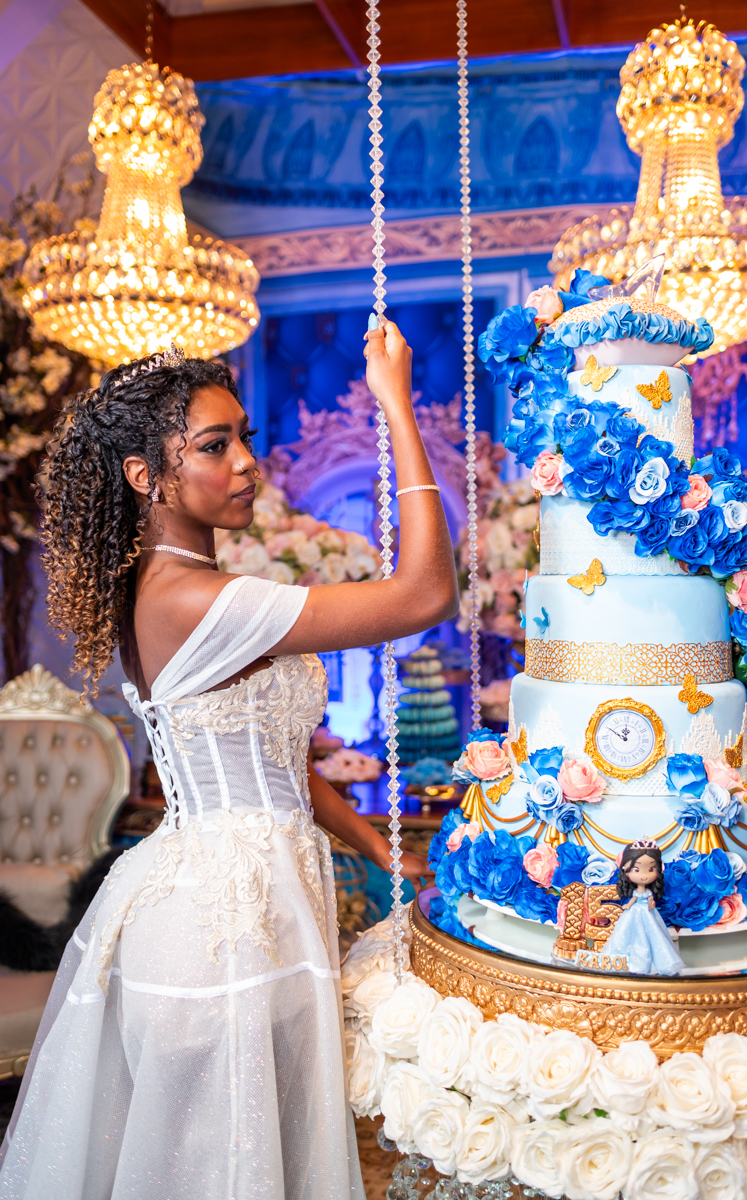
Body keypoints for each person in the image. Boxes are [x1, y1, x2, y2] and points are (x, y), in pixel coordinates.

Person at [0, 318, 458, 1199]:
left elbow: (275, 761)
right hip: (223, 927)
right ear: (145, 476)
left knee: (263, 1156)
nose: (247, 460)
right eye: (214, 445)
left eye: (245, 437)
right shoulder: (189, 599)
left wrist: (377, 850)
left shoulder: (180, 589)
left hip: (261, 898)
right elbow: (426, 592)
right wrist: (395, 405)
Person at [602, 840, 685, 976]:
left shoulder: (649, 893)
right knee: (628, 934)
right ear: (625, 869)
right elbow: (634, 899)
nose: (644, 875)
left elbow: (650, 899)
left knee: (653, 934)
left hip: (648, 913)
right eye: (636, 869)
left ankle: (652, 963)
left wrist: (651, 904)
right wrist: (628, 905)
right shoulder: (635, 892)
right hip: (634, 912)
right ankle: (628, 962)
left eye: (651, 869)